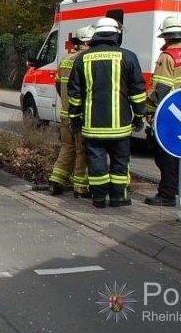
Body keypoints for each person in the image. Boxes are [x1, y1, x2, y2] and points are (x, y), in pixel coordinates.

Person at [67, 17, 146, 208]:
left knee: (96, 164)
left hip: (92, 127)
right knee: (120, 163)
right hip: (120, 127)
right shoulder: (128, 57)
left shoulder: (82, 59)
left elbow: (75, 94)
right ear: (116, 35)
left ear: (95, 35)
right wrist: (140, 115)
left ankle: (99, 198)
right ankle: (119, 198)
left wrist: (74, 118)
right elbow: (137, 91)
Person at [144, 17, 181, 207]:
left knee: (163, 154)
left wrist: (149, 111)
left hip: (167, 112)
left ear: (166, 37)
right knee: (174, 155)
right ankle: (173, 189)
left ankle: (167, 194)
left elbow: (162, 89)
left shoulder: (167, 56)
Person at [48, 25, 94, 197]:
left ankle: (56, 180)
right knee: (82, 150)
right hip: (79, 115)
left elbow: (59, 86)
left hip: (65, 113)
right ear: (88, 42)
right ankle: (80, 187)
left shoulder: (66, 59)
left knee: (67, 147)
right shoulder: (84, 59)